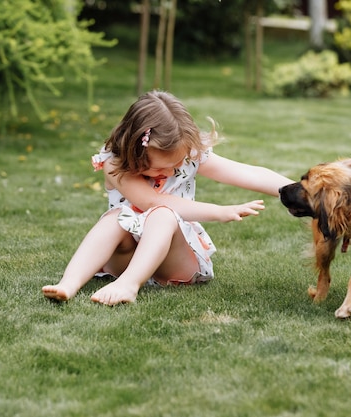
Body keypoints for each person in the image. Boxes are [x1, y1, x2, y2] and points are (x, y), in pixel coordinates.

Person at [42, 91, 293, 305]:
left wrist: (297, 188)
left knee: (163, 217)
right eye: (161, 168)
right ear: (134, 151)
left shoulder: (188, 155)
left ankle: (129, 285)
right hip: (125, 257)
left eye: (177, 164)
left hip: (175, 261)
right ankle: (69, 283)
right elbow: (151, 201)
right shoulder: (114, 164)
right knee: (118, 217)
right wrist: (218, 211)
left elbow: (245, 172)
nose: (172, 172)